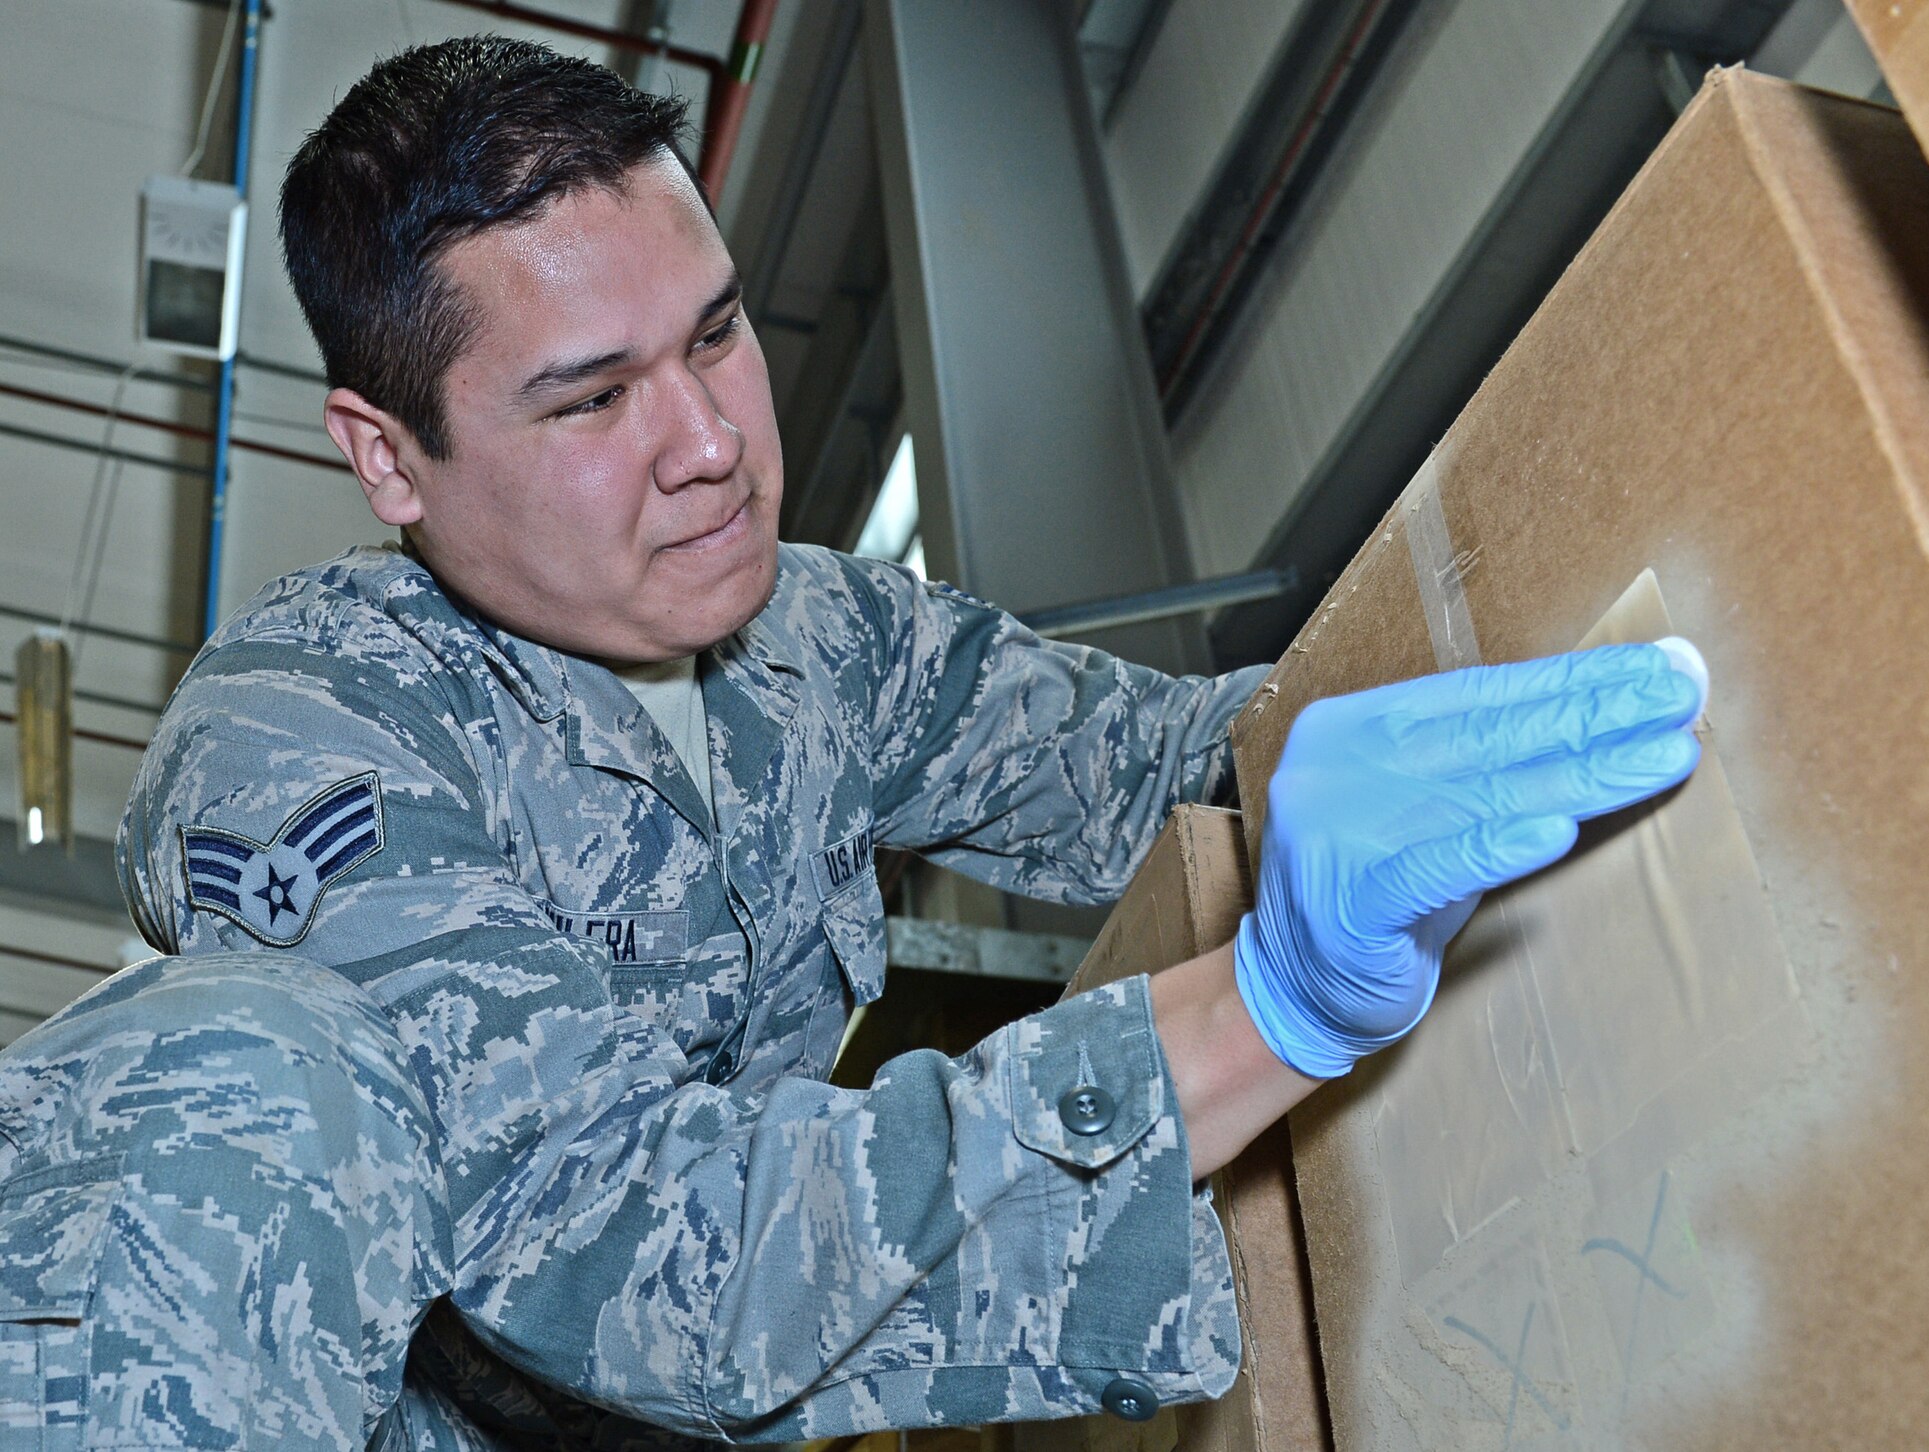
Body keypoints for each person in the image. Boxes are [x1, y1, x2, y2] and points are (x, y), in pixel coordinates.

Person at [0, 36, 1706, 1451]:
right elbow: (646, 1254)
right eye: (593, 400)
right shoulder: (315, 748)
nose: (713, 446)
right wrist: (1265, 1011)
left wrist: (1455, 681)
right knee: (225, 1070)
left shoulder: (819, 638)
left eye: (721, 334)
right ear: (390, 459)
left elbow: (1157, 764)